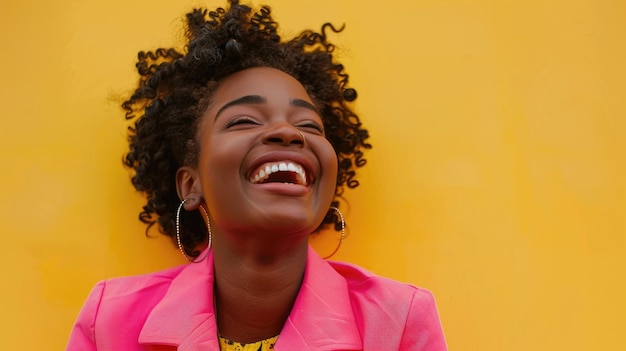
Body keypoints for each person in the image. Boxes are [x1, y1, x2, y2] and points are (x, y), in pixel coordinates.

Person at [66, 1, 447, 350]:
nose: (289, 133)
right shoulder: (110, 321)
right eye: (244, 120)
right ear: (190, 184)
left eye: (309, 126)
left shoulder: (399, 322)